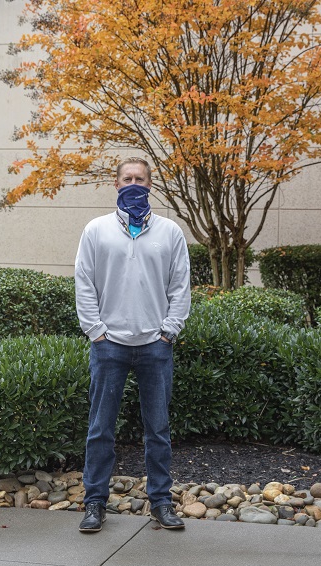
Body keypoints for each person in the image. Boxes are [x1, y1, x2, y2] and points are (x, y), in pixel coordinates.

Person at [74, 157, 191, 532]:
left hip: (156, 347)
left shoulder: (170, 232)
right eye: (127, 178)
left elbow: (180, 285)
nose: (134, 184)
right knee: (100, 429)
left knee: (157, 429)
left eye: (140, 178)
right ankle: (94, 502)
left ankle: (160, 503)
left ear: (151, 184)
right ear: (116, 183)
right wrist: (96, 331)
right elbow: (84, 282)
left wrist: (169, 330)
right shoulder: (96, 230)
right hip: (109, 346)